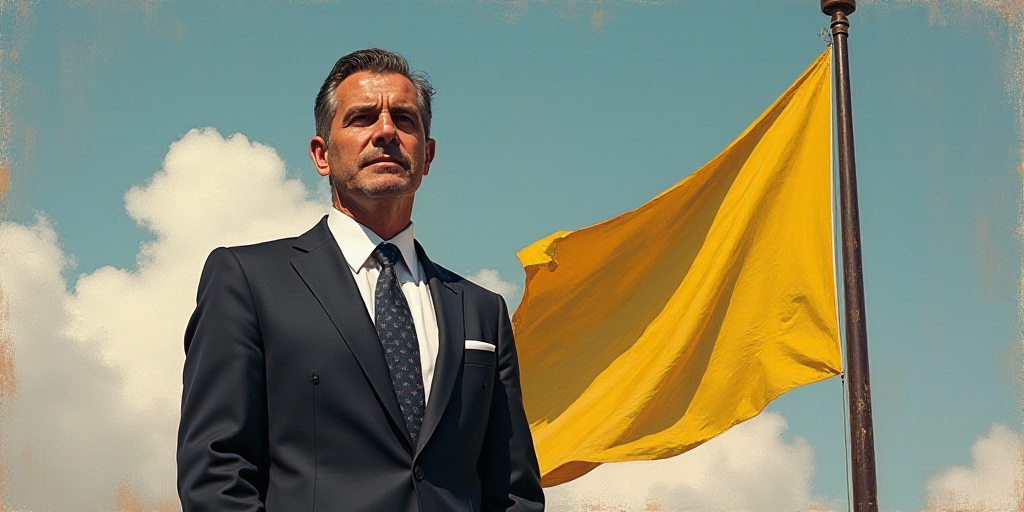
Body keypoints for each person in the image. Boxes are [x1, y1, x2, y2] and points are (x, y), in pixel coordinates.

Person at [176, 48, 544, 512]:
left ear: (427, 155)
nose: (386, 131)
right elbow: (216, 476)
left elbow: (514, 493)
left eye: (405, 119)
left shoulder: (482, 312)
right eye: (362, 117)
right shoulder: (248, 281)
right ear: (321, 154)